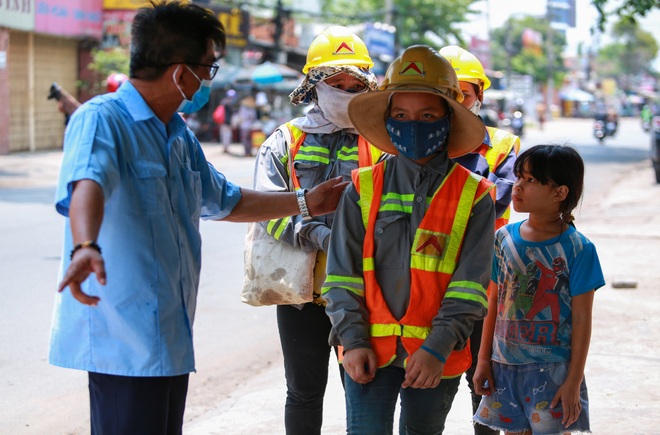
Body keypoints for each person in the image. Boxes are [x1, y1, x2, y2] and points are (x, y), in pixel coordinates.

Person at [48, 2, 348, 434]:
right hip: (122, 339)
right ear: (180, 72)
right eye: (208, 68)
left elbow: (228, 201)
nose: (208, 79)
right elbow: (86, 184)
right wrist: (85, 246)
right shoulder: (103, 119)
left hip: (169, 334)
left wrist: (306, 202)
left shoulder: (178, 137)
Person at [323, 45, 496, 434]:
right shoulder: (361, 189)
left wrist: (436, 348)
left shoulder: (476, 196)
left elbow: (470, 288)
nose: (412, 125)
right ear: (387, 121)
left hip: (436, 357)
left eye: (427, 116)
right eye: (401, 116)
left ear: (448, 120)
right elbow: (341, 277)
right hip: (367, 352)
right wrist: (352, 340)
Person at [252, 25, 380, 434]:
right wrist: (313, 233)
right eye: (335, 83)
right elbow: (264, 205)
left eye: (353, 84)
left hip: (363, 288)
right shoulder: (285, 141)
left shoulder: (383, 142)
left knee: (362, 386)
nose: (345, 91)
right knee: (304, 390)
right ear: (313, 86)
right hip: (300, 292)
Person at [472, 144, 605, 434]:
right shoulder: (503, 238)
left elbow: (582, 320)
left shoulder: (578, 248)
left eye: (531, 180)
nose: (517, 186)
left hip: (554, 371)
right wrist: (483, 360)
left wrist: (573, 380)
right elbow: (493, 301)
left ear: (560, 193)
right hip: (504, 366)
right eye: (519, 177)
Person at [440, 44, 520, 435]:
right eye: (446, 94)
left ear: (480, 97)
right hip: (431, 282)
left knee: (482, 381)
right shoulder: (412, 142)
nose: (456, 103)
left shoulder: (502, 145)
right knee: (432, 383)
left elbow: (493, 197)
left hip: (489, 285)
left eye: (464, 94)